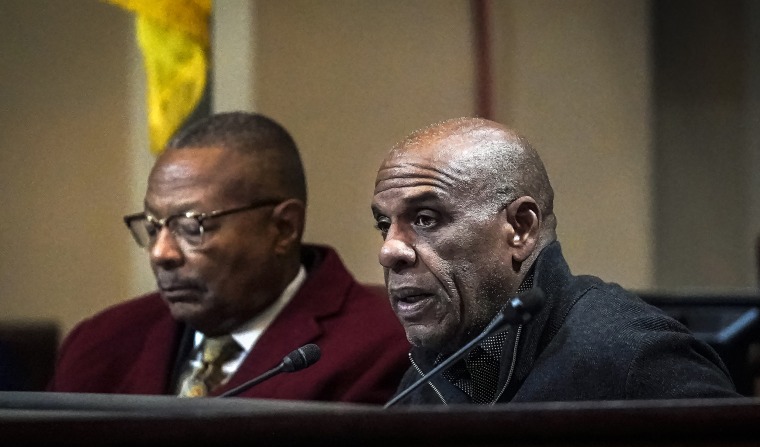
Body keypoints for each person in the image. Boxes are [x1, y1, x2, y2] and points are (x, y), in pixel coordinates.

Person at [371, 117, 738, 405]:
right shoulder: (426, 378)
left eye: (426, 220)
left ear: (520, 227)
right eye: (384, 225)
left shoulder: (634, 357)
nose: (389, 251)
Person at [50, 112, 409, 403]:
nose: (161, 253)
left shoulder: (384, 346)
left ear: (283, 228)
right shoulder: (99, 342)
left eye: (192, 226)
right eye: (153, 225)